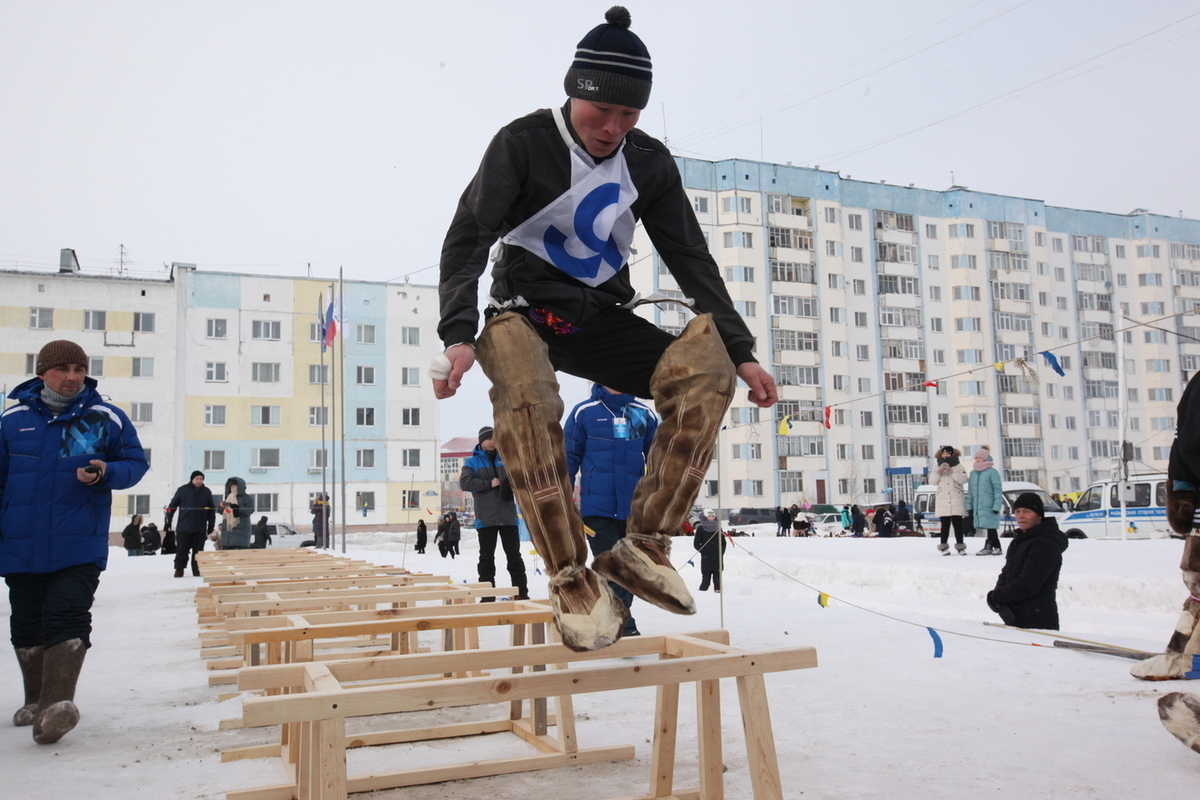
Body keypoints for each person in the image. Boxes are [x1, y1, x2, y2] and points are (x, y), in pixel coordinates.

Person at [432, 7, 777, 651]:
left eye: (628, 117)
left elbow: (690, 257)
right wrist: (456, 334)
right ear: (574, 93)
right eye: (600, 115)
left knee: (705, 369)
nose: (612, 129)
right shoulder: (523, 143)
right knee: (529, 397)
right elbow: (469, 237)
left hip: (597, 319)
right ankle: (570, 580)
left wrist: (742, 351)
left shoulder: (647, 162)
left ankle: (643, 546)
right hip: (521, 314)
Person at [1, 339, 148, 744]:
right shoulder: (12, 421)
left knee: (67, 616)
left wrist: (106, 471)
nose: (72, 377)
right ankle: (37, 698)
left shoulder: (105, 417)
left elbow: (135, 462)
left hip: (77, 542)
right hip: (21, 542)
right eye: (63, 369)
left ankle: (56, 705)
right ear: (42, 373)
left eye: (79, 370)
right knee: (26, 621)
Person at [565, 383, 659, 636]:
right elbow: (568, 457)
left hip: (632, 508)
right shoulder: (584, 412)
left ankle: (610, 619)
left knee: (628, 566)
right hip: (597, 507)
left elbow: (658, 458)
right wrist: (564, 498)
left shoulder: (642, 413)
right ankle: (622, 624)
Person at [461, 426, 529, 601]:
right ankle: (487, 595)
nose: (492, 442)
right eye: (488, 439)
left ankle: (521, 593)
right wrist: (488, 484)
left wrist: (510, 484)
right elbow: (465, 483)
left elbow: (521, 478)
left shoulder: (507, 459)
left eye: (495, 438)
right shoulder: (472, 462)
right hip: (486, 518)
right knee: (486, 558)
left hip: (508, 517)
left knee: (514, 557)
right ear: (481, 441)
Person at [986, 492, 1067, 630]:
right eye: (1017, 511)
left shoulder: (1044, 544)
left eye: (1027, 511)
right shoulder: (1021, 540)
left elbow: (1029, 584)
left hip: (1038, 620)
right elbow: (1007, 573)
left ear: (1039, 515)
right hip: (1017, 617)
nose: (1020, 516)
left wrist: (997, 597)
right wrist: (998, 597)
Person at [165, 470, 216, 578]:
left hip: (200, 526)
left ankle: (197, 570)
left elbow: (211, 509)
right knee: (182, 549)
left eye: (201, 479)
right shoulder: (183, 490)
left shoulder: (206, 492)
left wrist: (211, 525)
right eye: (197, 478)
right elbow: (172, 506)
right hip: (184, 526)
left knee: (198, 551)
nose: (199, 481)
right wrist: (168, 520)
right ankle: (179, 569)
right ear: (192, 479)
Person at [967, 447, 1004, 556]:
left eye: (980, 458)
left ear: (986, 459)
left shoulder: (992, 472)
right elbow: (970, 491)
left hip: (989, 504)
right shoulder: (973, 473)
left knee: (991, 526)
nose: (978, 460)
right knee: (990, 526)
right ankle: (997, 547)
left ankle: (988, 547)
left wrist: (997, 505)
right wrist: (969, 505)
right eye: (976, 458)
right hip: (978, 505)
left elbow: (998, 490)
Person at [932, 446, 969, 555]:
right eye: (943, 454)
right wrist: (939, 472)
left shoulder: (958, 466)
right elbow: (932, 481)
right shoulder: (936, 466)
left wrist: (951, 471)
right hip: (943, 500)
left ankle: (960, 546)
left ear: (952, 454)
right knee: (945, 524)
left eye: (948, 454)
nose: (945, 455)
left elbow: (963, 480)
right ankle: (943, 546)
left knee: (958, 524)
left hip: (956, 499)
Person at [692, 509, 726, 592]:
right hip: (706, 559)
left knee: (717, 581)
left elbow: (723, 543)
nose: (711, 518)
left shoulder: (718, 528)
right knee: (706, 581)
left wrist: (720, 552)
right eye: (709, 516)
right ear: (705, 518)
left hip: (717, 558)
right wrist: (704, 551)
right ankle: (702, 595)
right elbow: (696, 544)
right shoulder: (701, 528)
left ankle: (718, 594)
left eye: (713, 516)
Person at [217, 477, 255, 550]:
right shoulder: (228, 498)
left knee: (240, 557)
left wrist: (238, 508)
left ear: (240, 487)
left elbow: (250, 510)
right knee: (227, 557)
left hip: (241, 531)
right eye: (231, 486)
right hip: (227, 533)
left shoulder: (246, 498)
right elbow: (221, 511)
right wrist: (221, 506)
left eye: (235, 486)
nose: (233, 487)